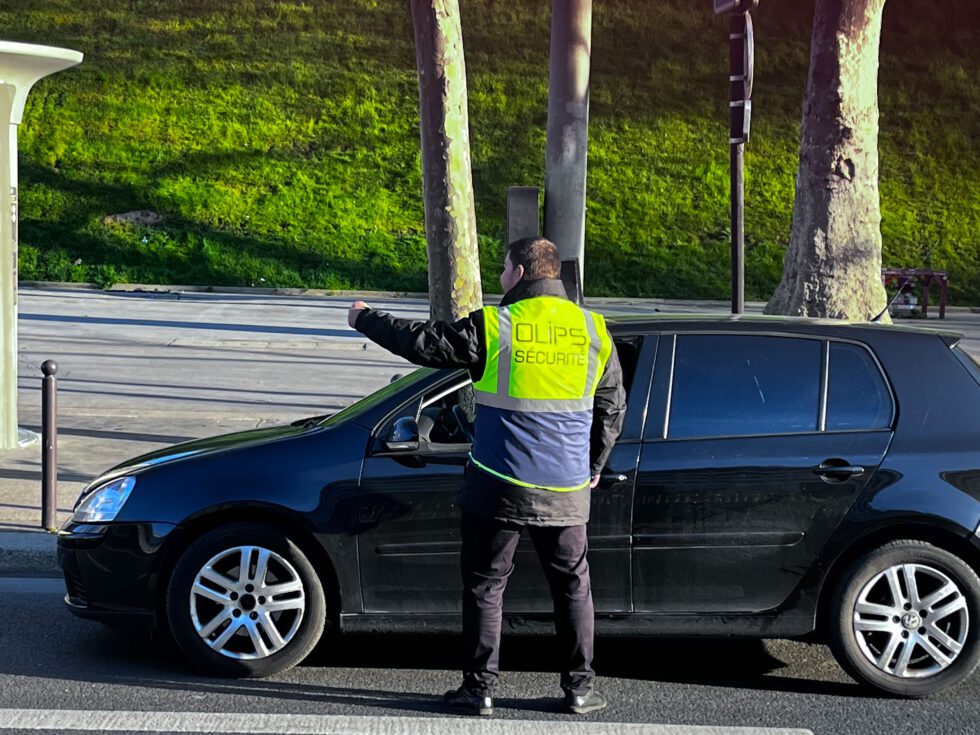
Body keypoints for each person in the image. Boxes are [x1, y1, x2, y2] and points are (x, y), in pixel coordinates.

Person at [347, 237, 627, 716]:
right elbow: (611, 409)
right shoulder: (593, 331)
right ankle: (579, 689)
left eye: (503, 268)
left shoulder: (496, 326)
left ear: (519, 273)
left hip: (499, 483)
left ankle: (480, 690)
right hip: (566, 489)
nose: (500, 276)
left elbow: (425, 344)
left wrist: (366, 318)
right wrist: (593, 467)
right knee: (573, 586)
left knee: (486, 585)